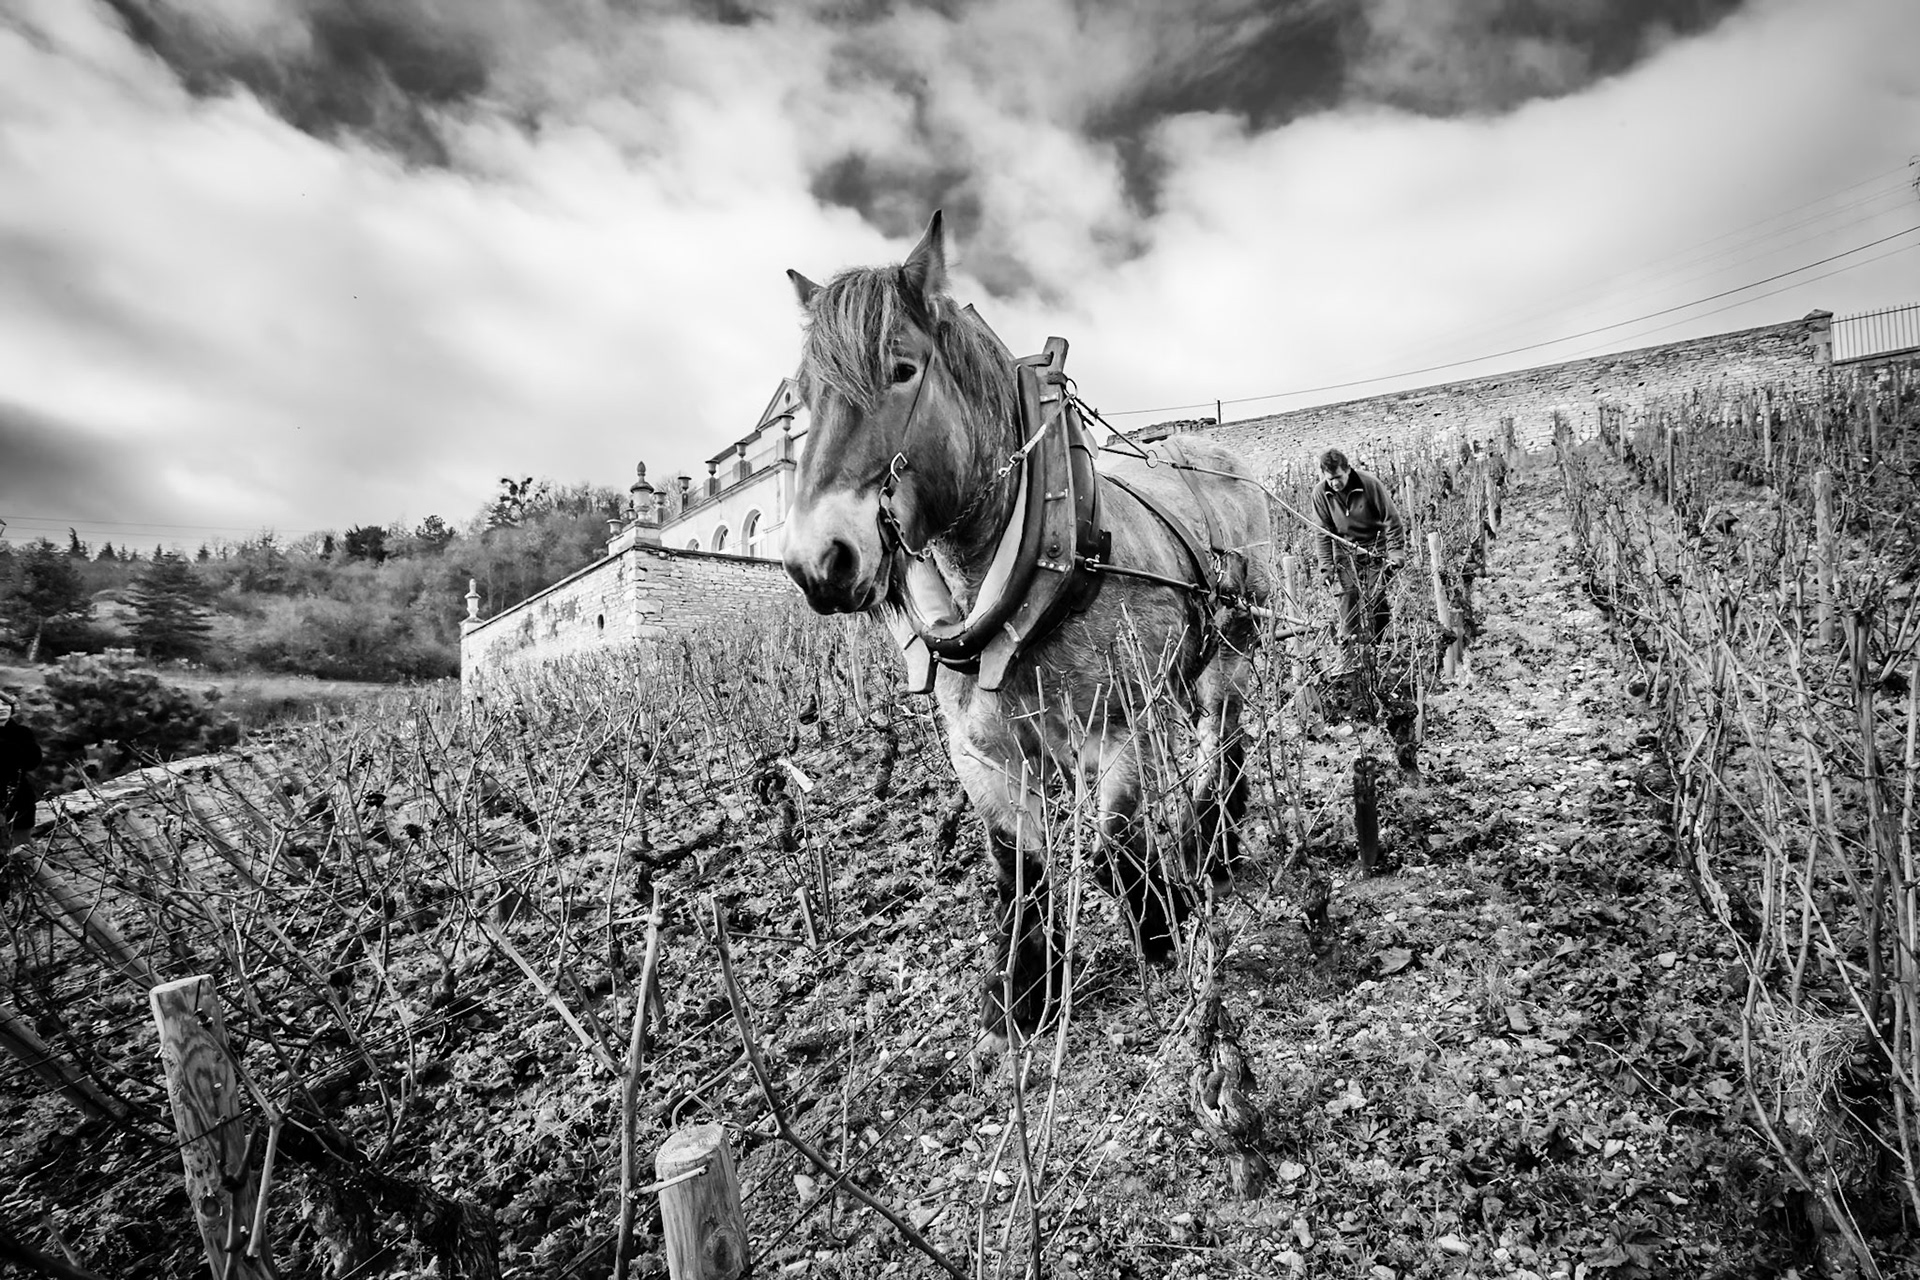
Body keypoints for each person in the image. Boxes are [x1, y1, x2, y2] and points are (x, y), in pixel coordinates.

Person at [1310, 449, 1408, 661]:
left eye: (1338, 478)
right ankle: (1350, 651)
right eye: (1330, 479)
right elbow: (1323, 533)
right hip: (1346, 551)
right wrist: (1326, 568)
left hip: (1375, 547)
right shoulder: (1321, 493)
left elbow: (1391, 520)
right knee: (1349, 597)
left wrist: (1395, 552)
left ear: (1347, 470)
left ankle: (1380, 646)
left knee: (1376, 596)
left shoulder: (1369, 484)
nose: (1334, 483)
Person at [0, 692, 43, 848]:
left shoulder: (21, 733)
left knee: (22, 850)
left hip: (18, 800)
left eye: (5, 704)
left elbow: (31, 761)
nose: (1, 708)